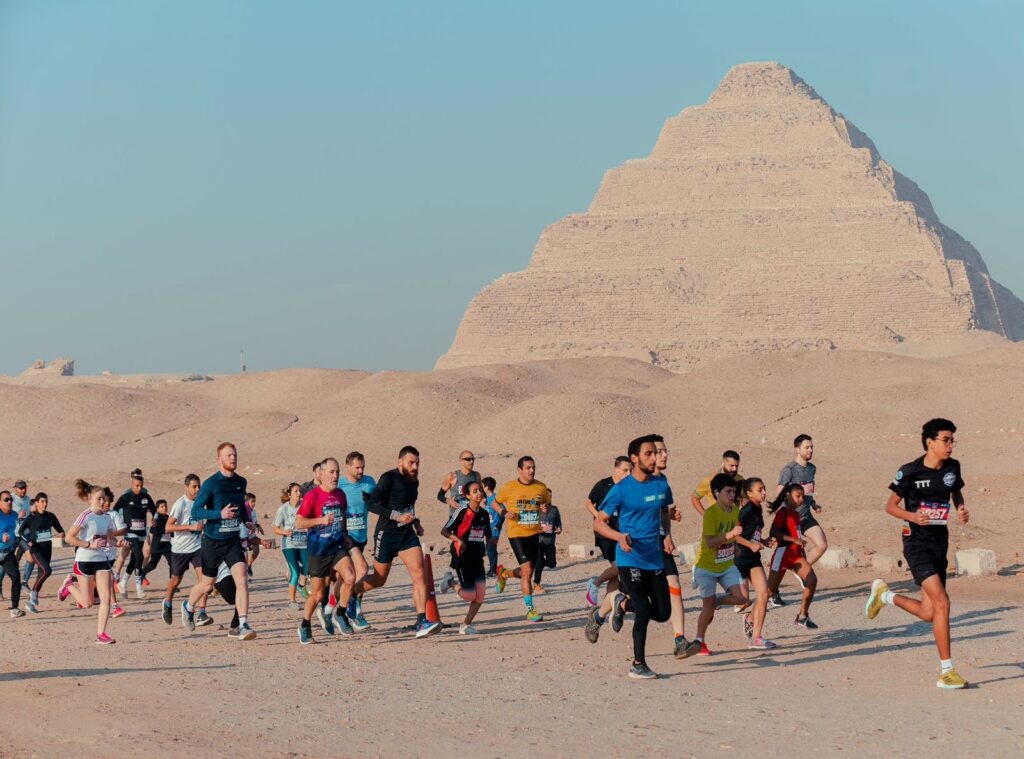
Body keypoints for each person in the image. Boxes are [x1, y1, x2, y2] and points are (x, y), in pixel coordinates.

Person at [865, 418, 970, 689]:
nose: (950, 445)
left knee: (928, 612)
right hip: (916, 544)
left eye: (952, 440)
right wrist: (912, 516)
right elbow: (890, 506)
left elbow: (955, 491)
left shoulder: (952, 467)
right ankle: (946, 671)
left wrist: (960, 508)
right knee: (943, 604)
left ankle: (884, 595)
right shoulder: (909, 471)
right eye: (946, 440)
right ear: (930, 442)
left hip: (940, 543)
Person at [584, 435, 674, 679]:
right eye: (649, 453)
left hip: (654, 558)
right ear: (634, 458)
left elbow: (664, 510)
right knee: (643, 608)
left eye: (656, 453)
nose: (655, 457)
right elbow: (598, 523)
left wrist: (666, 534)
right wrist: (618, 536)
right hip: (630, 557)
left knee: (663, 613)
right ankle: (638, 664)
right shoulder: (621, 490)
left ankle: (618, 601)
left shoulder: (661, 485)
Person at [357, 445, 440, 638]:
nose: (414, 466)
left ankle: (422, 621)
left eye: (417, 463)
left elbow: (408, 507)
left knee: (420, 575)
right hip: (386, 533)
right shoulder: (389, 478)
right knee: (379, 579)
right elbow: (371, 505)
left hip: (406, 535)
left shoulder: (414, 482)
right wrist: (396, 516)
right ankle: (351, 593)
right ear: (400, 461)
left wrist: (416, 523)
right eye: (411, 462)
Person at [181, 442, 256, 640]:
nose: (233, 458)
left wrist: (246, 521)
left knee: (242, 579)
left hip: (232, 541)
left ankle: (243, 624)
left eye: (235, 455)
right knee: (207, 584)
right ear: (219, 459)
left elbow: (240, 504)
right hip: (212, 542)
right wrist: (219, 514)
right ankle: (188, 607)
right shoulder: (211, 483)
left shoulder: (241, 482)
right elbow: (196, 511)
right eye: (229, 455)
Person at [295, 458, 356, 644]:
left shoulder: (340, 494)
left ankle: (340, 613)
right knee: (318, 595)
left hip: (336, 546)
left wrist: (345, 534)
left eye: (337, 472)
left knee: (350, 577)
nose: (335, 476)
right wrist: (320, 521)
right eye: (331, 472)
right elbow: (299, 522)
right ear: (321, 475)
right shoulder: (312, 496)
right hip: (318, 550)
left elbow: (342, 516)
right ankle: (305, 625)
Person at [691, 474, 749, 656]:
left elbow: (733, 536)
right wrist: (731, 535)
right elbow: (709, 542)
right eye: (728, 491)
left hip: (726, 565)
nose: (733, 495)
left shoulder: (734, 511)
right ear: (716, 493)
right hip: (706, 567)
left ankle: (718, 600)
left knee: (742, 598)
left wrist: (736, 547)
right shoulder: (711, 513)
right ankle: (699, 641)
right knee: (707, 610)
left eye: (734, 491)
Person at [652, 435, 697, 658]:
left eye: (665, 450)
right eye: (659, 451)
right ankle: (606, 609)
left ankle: (680, 639)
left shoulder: (663, 481)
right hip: (639, 545)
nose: (664, 455)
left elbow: (663, 510)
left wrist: (668, 534)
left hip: (659, 543)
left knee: (675, 585)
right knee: (639, 598)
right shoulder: (635, 482)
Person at [62, 481, 122, 643]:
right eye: (99, 499)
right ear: (90, 499)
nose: (103, 502)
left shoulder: (108, 517)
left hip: (102, 560)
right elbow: (69, 538)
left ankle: (101, 634)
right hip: (85, 560)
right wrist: (89, 544)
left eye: (104, 498)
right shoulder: (85, 516)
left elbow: (110, 538)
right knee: (87, 603)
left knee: (106, 598)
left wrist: (119, 543)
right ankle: (69, 586)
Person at [493, 456, 551, 623]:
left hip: (534, 533)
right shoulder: (509, 487)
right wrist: (504, 513)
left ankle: (504, 573)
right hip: (516, 533)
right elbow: (495, 503)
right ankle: (530, 610)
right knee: (526, 571)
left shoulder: (541, 487)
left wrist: (545, 508)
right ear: (519, 470)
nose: (531, 470)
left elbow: (546, 503)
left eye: (533, 467)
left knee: (528, 572)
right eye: (528, 468)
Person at [771, 435, 825, 607]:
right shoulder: (789, 469)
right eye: (807, 447)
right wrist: (780, 510)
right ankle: (773, 592)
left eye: (812, 447)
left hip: (806, 517)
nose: (810, 450)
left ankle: (802, 570)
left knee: (822, 545)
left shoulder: (812, 469)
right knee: (782, 561)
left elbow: (807, 492)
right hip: (791, 521)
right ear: (797, 449)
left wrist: (813, 504)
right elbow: (778, 493)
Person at [438, 480, 494, 634]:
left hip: (478, 557)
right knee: (470, 595)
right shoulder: (462, 511)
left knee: (480, 595)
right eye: (475, 491)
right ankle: (450, 581)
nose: (479, 493)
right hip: (462, 556)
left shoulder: (484, 513)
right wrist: (458, 540)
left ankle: (464, 625)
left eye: (480, 490)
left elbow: (489, 536)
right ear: (467, 495)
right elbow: (444, 531)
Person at [765, 484, 819, 629]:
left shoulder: (795, 513)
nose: (801, 499)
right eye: (798, 496)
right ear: (788, 495)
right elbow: (774, 532)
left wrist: (799, 546)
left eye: (802, 496)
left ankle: (802, 616)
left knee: (812, 580)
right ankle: (751, 618)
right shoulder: (783, 512)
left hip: (795, 555)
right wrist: (794, 540)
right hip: (783, 554)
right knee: (769, 592)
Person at [161, 474, 210, 626]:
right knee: (176, 580)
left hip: (197, 547)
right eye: (194, 486)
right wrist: (190, 527)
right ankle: (167, 602)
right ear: (186, 487)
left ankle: (201, 612)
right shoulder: (180, 504)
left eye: (198, 486)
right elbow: (168, 527)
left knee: (205, 580)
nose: (197, 489)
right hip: (180, 549)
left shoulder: (202, 503)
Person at [584, 456, 632, 607]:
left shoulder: (630, 487)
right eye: (625, 470)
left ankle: (608, 605)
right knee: (618, 566)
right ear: (615, 469)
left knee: (616, 572)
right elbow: (588, 502)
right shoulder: (604, 485)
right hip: (605, 532)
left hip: (622, 533)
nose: (628, 474)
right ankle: (595, 583)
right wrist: (599, 516)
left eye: (631, 470)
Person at [734, 478, 776, 649]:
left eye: (765, 488)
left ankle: (757, 637)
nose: (764, 492)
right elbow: (734, 534)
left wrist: (764, 541)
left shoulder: (758, 509)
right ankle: (712, 603)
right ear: (750, 493)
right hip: (739, 558)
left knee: (764, 594)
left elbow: (753, 534)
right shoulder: (747, 509)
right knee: (743, 600)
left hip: (753, 559)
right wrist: (750, 544)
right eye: (760, 490)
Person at [336, 451, 375, 629]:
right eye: (357, 467)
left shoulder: (369, 482)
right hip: (344, 537)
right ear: (348, 467)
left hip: (361, 536)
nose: (361, 471)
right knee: (362, 569)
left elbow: (379, 502)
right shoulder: (340, 485)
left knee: (347, 579)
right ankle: (352, 611)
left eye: (363, 467)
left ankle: (331, 606)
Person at [18, 492, 65, 613]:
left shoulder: (50, 516)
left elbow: (60, 530)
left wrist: (60, 534)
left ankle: (30, 604)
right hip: (36, 549)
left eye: (46, 501)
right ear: (37, 503)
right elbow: (20, 532)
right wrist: (28, 541)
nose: (45, 504)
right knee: (47, 571)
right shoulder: (31, 517)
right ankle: (33, 594)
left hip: (47, 549)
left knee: (41, 575)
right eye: (42, 501)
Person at [113, 470, 157, 599]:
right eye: (136, 486)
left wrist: (154, 519)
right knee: (139, 555)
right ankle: (138, 586)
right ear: (132, 484)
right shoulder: (126, 497)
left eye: (141, 486)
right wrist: (121, 524)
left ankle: (123, 582)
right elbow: (114, 511)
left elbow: (154, 510)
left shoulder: (146, 497)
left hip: (142, 532)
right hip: (130, 533)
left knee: (134, 560)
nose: (139, 488)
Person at [274, 483, 309, 610]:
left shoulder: (304, 506)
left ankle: (301, 585)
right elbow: (275, 529)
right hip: (288, 544)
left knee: (308, 566)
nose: (299, 493)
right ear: (289, 495)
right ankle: (292, 601)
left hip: (303, 542)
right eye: (296, 491)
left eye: (299, 491)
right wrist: (285, 532)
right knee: (294, 571)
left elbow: (309, 521)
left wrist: (307, 527)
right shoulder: (283, 509)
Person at [690, 451, 744, 515]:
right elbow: (695, 497)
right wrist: (705, 515)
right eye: (731, 466)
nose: (734, 469)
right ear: (723, 463)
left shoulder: (740, 480)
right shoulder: (710, 480)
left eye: (737, 466)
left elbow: (744, 499)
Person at [0, 491, 25, 618]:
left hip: (7, 552)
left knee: (16, 577)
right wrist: (1, 537)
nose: (9, 502)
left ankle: (15, 608)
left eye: (10, 499)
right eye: (6, 499)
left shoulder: (14, 514)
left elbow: (15, 530)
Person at [138, 499, 173, 586]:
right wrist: (158, 527)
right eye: (162, 506)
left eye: (165, 506)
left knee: (173, 563)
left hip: (167, 546)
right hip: (157, 546)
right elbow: (153, 530)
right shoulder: (156, 517)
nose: (165, 508)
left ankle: (172, 584)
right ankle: (141, 573)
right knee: (153, 565)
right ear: (157, 509)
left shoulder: (169, 518)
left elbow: (172, 531)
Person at [437, 450, 482, 517]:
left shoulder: (476, 476)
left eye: (473, 459)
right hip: (456, 517)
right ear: (461, 461)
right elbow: (440, 495)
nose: (471, 462)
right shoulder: (452, 476)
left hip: (472, 516)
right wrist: (450, 501)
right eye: (468, 459)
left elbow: (481, 493)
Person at [532, 500, 561, 592]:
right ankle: (536, 583)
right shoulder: (535, 510)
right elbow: (530, 527)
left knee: (552, 564)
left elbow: (558, 523)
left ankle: (535, 563)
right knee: (539, 562)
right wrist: (542, 529)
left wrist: (559, 529)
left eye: (550, 497)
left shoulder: (554, 510)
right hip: (538, 541)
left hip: (550, 542)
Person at [482, 477, 502, 578]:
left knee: (491, 549)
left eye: (482, 486)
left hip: (494, 529)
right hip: (488, 528)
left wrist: (498, 526)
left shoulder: (495, 498)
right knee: (489, 548)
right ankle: (492, 569)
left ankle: (493, 570)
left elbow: (503, 512)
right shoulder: (487, 499)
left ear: (487, 487)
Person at [242, 492, 264, 576]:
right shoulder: (243, 512)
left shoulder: (253, 511)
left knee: (257, 550)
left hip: (251, 535)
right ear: (246, 502)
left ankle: (249, 565)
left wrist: (258, 526)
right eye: (252, 501)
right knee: (244, 555)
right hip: (243, 537)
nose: (254, 503)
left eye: (255, 501)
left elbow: (254, 522)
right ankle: (245, 574)